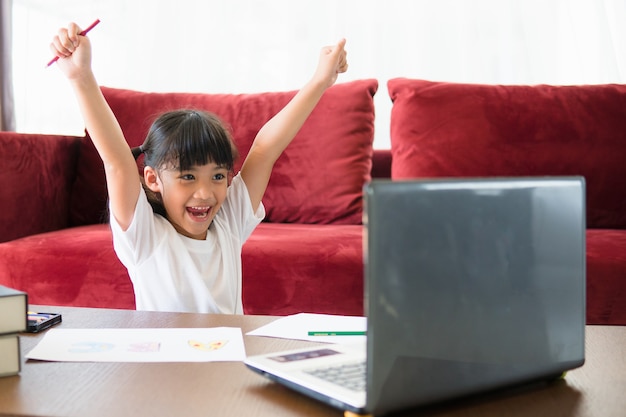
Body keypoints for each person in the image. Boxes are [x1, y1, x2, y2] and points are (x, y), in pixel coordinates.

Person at [50, 22, 348, 314]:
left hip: (227, 360)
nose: (205, 193)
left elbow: (265, 149)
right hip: (165, 362)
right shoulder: (145, 236)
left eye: (218, 176)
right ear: (152, 179)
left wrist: (320, 80)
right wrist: (80, 77)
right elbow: (116, 162)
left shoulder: (229, 223)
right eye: (188, 177)